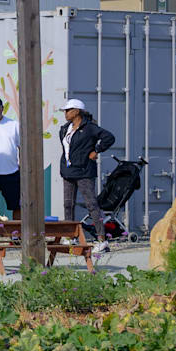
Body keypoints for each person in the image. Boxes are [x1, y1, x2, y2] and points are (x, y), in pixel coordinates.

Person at [59, 98, 116, 250]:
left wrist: (96, 150)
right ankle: (70, 237)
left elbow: (109, 138)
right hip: (68, 171)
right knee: (68, 205)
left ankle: (101, 240)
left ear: (76, 111)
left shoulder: (89, 127)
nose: (65, 113)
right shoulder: (65, 128)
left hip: (84, 171)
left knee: (91, 204)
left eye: (68, 110)